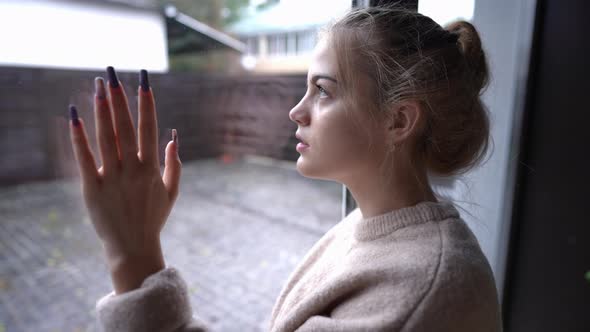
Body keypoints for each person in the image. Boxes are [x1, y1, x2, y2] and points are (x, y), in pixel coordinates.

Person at [68, 5, 502, 332]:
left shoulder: (419, 293)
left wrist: (133, 254)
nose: (297, 111)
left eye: (323, 91)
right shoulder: (370, 228)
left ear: (398, 121)